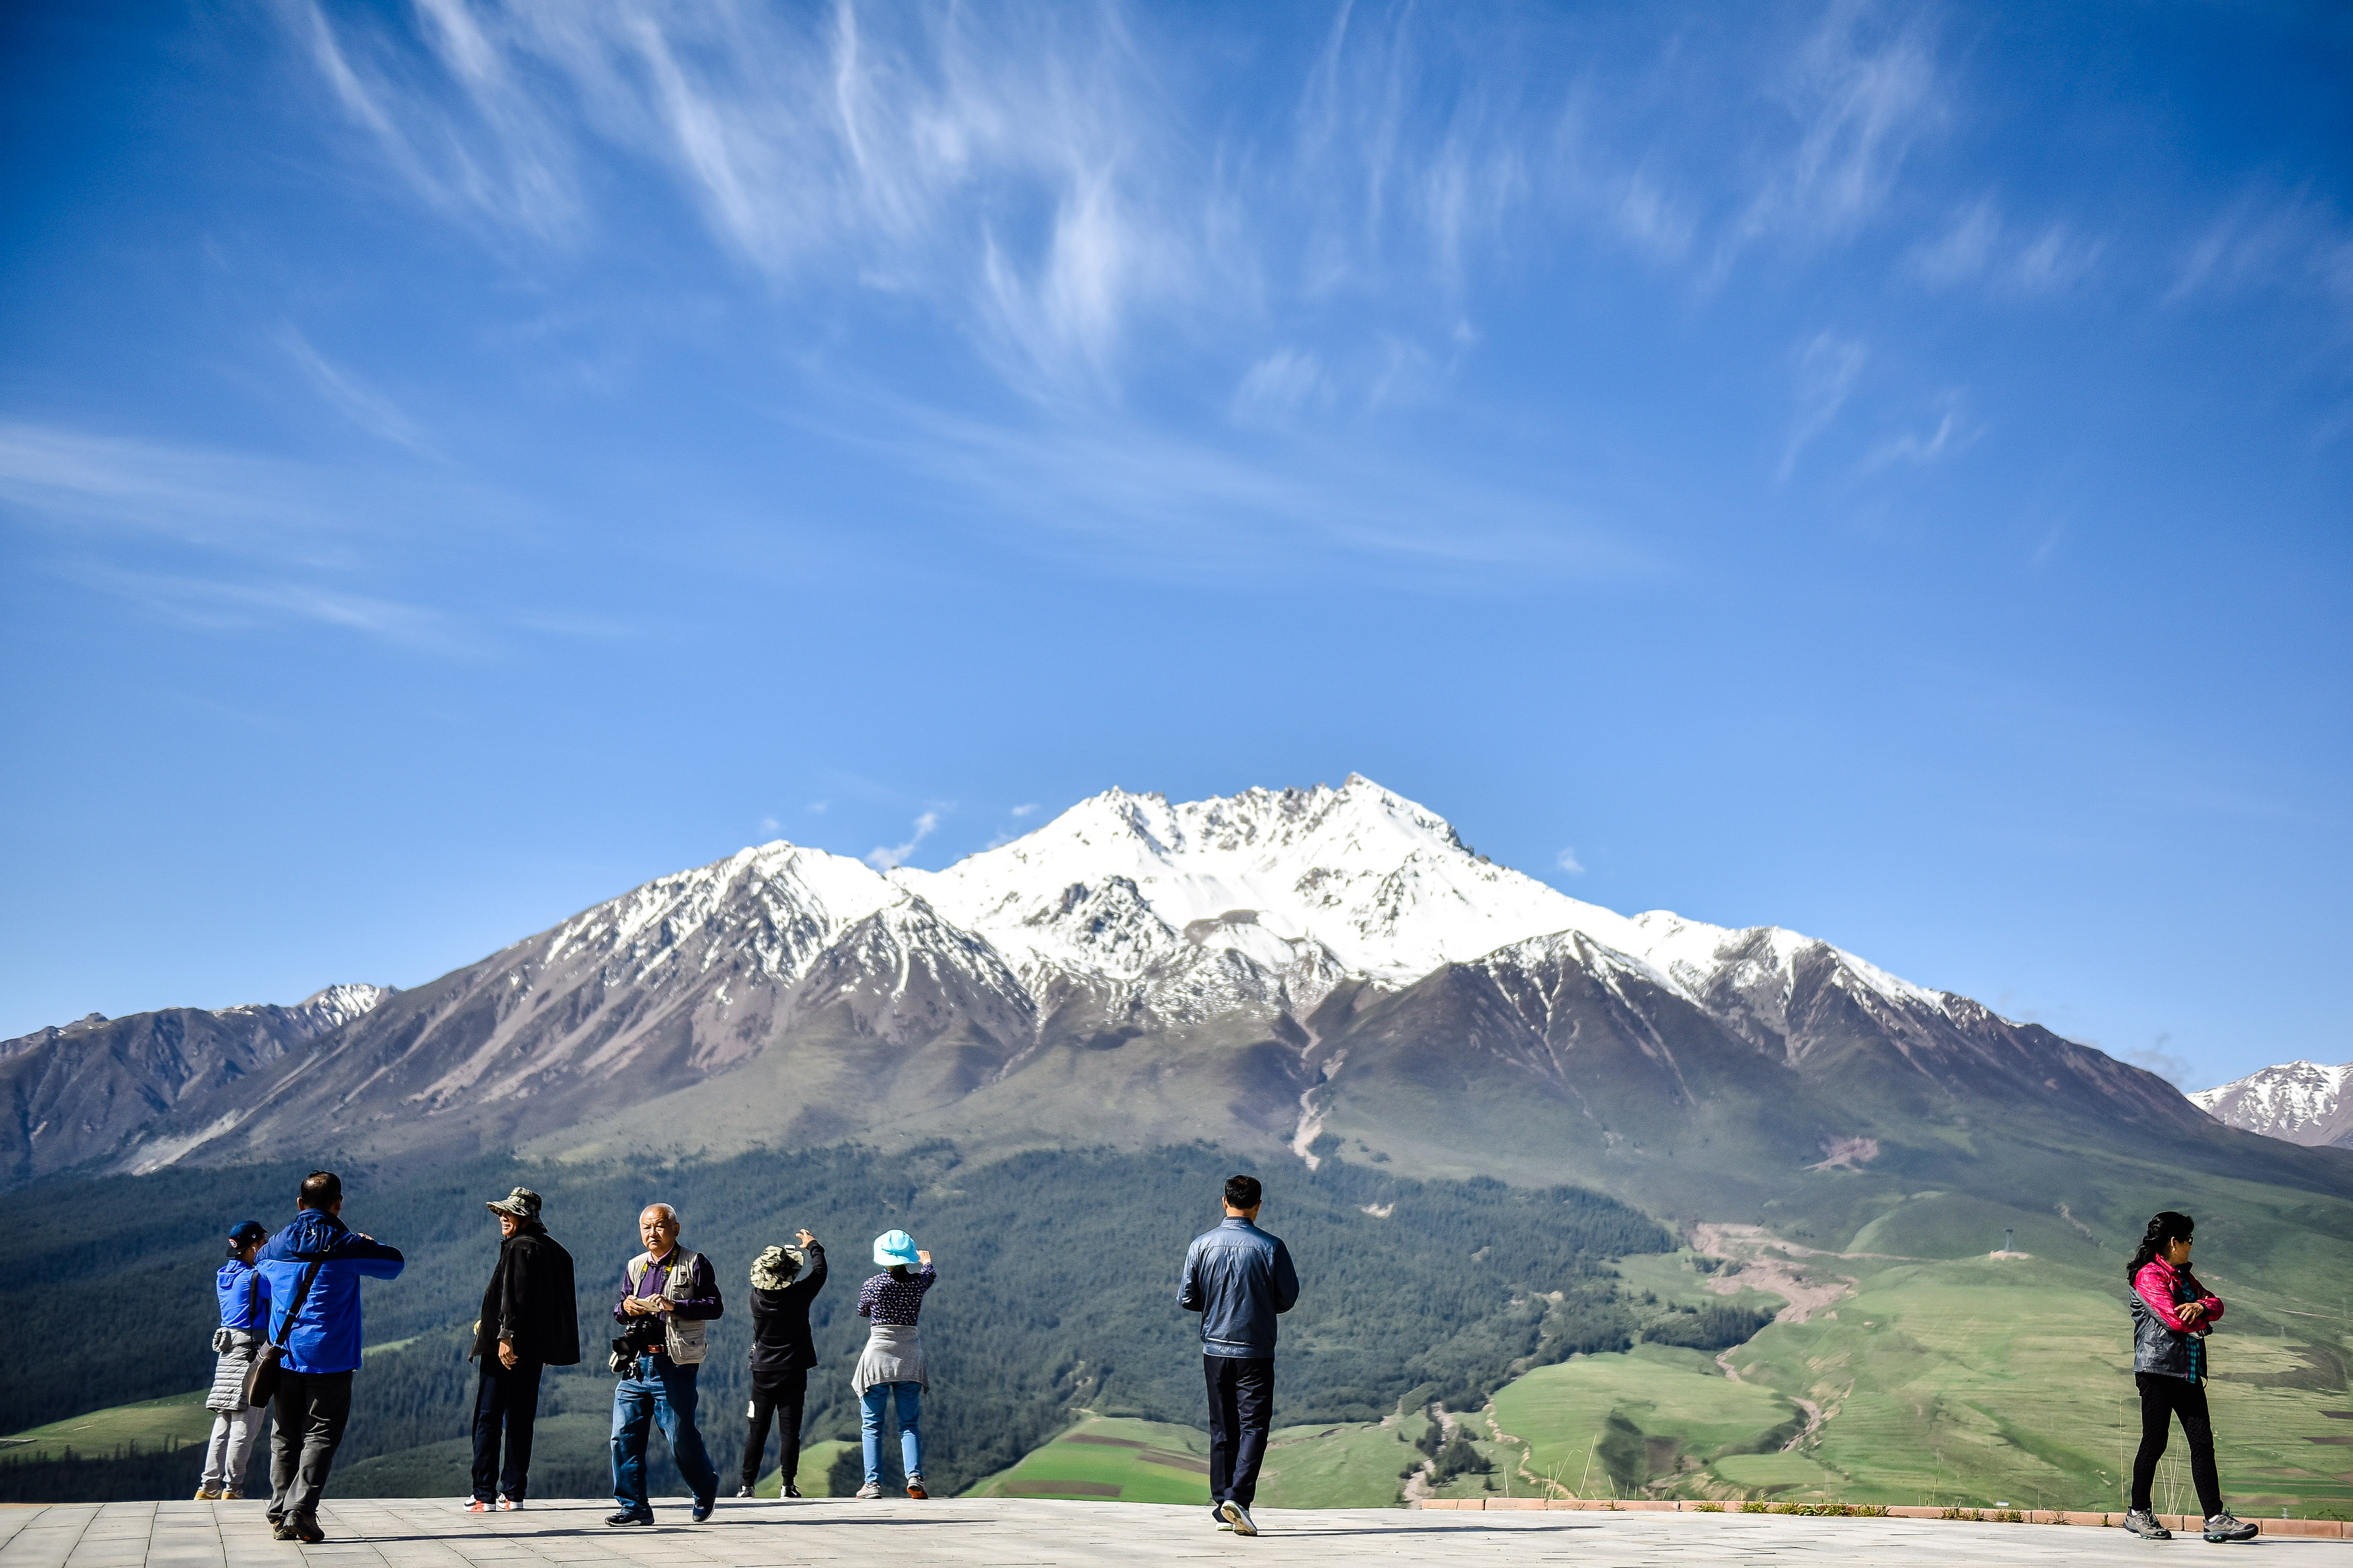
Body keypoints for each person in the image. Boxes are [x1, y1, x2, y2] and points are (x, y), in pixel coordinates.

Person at [252, 1171, 405, 1544]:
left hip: (284, 1354)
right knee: (320, 1433)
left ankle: (279, 1510)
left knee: (285, 1434)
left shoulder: (274, 1246)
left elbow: (260, 1270)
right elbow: (394, 1264)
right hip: (331, 1356)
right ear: (338, 1204)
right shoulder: (347, 1244)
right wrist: (367, 1241)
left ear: (300, 1204)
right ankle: (301, 1511)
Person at [2122, 1210, 2256, 1543]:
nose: (2192, 1247)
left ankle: (2215, 1518)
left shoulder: (2184, 1278)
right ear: (2174, 1242)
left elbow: (2217, 1304)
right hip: (2157, 1371)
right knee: (2155, 1442)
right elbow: (2175, 1320)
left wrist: (2201, 1308)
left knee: (2202, 1443)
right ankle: (2138, 1512)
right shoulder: (2149, 1276)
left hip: (2187, 1370)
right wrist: (2203, 1317)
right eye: (2189, 1241)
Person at [1178, 1173, 1298, 1537]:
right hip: (1255, 1350)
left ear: (1224, 1201)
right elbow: (1287, 1299)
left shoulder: (1201, 1245)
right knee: (1254, 1425)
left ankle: (1222, 1503)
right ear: (1258, 1206)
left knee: (1222, 1426)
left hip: (1214, 1348)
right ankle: (1239, 1500)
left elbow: (1187, 1297)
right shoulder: (1272, 1247)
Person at [606, 1203, 724, 1527]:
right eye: (646, 1227)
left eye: (658, 1226)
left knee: (680, 1438)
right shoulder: (635, 1266)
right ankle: (634, 1507)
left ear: (676, 1228)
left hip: (674, 1364)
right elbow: (619, 1309)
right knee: (623, 1436)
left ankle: (705, 1486)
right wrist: (626, 1308)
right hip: (636, 1365)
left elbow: (715, 1306)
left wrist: (676, 1305)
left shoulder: (695, 1263)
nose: (651, 1233)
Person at [467, 1187, 579, 1513]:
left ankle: (483, 1494)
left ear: (525, 1218)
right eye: (502, 1212)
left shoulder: (518, 1247)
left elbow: (514, 1297)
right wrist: (546, 1344)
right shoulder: (555, 1252)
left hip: (507, 1346)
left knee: (488, 1417)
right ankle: (514, 1494)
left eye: (510, 1213)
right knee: (521, 1418)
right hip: (533, 1350)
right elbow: (551, 1304)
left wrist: (505, 1336)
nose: (503, 1218)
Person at [737, 1229, 827, 1498]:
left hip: (762, 1371)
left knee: (757, 1430)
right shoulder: (800, 1295)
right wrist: (813, 1246)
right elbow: (820, 1272)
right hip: (793, 1369)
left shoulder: (756, 1299)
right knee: (790, 1430)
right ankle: (788, 1484)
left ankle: (747, 1484)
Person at [852, 1230, 934, 1500]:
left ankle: (872, 1484)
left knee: (872, 1424)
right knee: (909, 1423)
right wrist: (926, 1262)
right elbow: (929, 1276)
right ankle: (915, 1477)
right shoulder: (918, 1284)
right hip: (910, 1356)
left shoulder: (873, 1285)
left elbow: (862, 1310)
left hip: (878, 1358)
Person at [196, 1219, 272, 1500]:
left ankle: (208, 1487)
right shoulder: (256, 1278)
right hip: (251, 1349)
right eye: (264, 1243)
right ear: (253, 1247)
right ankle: (234, 1487)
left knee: (224, 1420)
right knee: (246, 1420)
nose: (266, 1247)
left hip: (228, 1349)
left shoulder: (224, 1275)